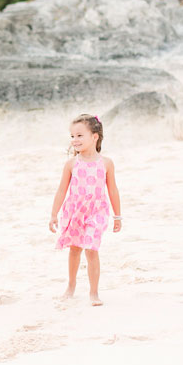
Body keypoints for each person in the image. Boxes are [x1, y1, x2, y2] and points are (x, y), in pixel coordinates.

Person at [49, 114, 122, 304]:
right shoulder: (72, 164)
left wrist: (118, 216)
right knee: (75, 250)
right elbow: (61, 191)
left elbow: (112, 190)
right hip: (75, 213)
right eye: (72, 136)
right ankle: (71, 285)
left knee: (91, 249)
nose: (75, 140)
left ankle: (94, 293)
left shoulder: (106, 163)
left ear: (94, 137)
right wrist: (53, 214)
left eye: (80, 135)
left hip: (97, 212)